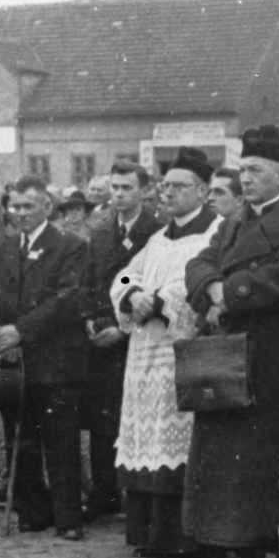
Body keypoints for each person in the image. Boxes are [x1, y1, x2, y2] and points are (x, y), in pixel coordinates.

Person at [185, 125, 279, 558]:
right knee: (233, 464)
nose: (245, 179)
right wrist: (211, 288)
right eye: (243, 170)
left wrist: (232, 291)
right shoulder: (231, 223)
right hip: (233, 356)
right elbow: (199, 262)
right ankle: (242, 553)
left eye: (256, 170)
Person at [108, 147, 222, 558]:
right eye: (165, 186)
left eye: (179, 187)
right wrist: (131, 293)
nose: (168, 194)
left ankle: (184, 540)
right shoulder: (157, 238)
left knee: (181, 439)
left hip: (183, 352)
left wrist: (157, 302)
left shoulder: (217, 233)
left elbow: (200, 281)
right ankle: (151, 536)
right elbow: (124, 272)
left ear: (203, 190)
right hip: (144, 354)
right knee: (147, 437)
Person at [0, 175, 89, 540]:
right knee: (21, 440)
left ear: (47, 206)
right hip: (15, 361)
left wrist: (22, 330)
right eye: (15, 206)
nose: (21, 213)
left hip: (56, 361)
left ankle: (68, 518)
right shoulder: (4, 249)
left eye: (29, 206)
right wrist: (1, 335)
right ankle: (33, 511)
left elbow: (68, 298)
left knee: (60, 442)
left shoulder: (69, 246)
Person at [81, 160, 160, 522]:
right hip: (103, 339)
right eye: (115, 188)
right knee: (102, 418)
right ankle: (104, 491)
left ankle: (140, 496)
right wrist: (94, 321)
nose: (119, 195)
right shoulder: (99, 232)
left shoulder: (157, 231)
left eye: (127, 188)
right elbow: (92, 282)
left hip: (140, 336)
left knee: (142, 417)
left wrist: (121, 326)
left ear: (143, 190)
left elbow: (142, 281)